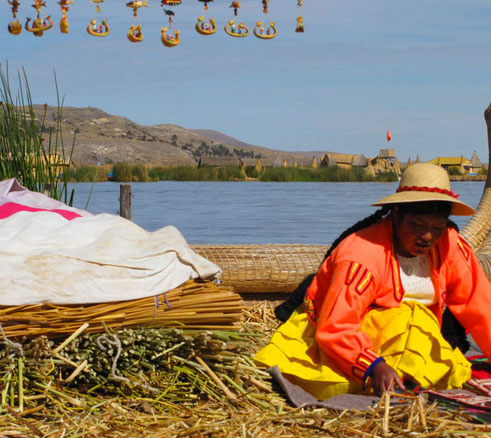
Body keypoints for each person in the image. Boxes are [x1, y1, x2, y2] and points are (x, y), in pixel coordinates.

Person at [255, 163, 491, 399]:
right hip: (345, 340)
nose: (427, 237)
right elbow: (336, 325)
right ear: (397, 214)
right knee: (409, 318)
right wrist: (372, 365)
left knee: (420, 324)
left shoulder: (449, 244)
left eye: (437, 227)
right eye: (417, 225)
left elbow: (481, 305)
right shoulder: (362, 256)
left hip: (413, 342)